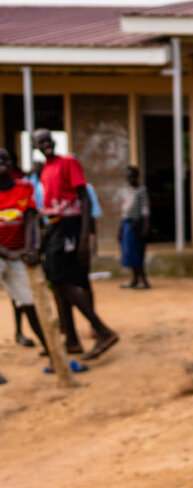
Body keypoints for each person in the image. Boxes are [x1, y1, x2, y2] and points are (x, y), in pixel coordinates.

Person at [35, 129, 118, 359]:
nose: (45, 144)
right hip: (54, 227)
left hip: (70, 227)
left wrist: (84, 239)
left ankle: (103, 331)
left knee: (63, 281)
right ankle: (71, 339)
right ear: (35, 146)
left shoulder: (68, 163)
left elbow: (84, 199)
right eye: (40, 142)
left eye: (48, 140)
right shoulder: (45, 170)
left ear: (53, 141)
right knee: (56, 282)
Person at [0, 147, 50, 362]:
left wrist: (30, 249)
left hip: (18, 253)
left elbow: (30, 220)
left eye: (4, 158)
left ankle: (52, 353)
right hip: (4, 253)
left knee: (30, 303)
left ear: (12, 163)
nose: (0, 162)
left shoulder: (24, 187)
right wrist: (6, 252)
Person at [113, 165, 150, 289]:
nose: (130, 179)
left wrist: (145, 227)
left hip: (137, 224)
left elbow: (145, 210)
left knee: (137, 252)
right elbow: (124, 212)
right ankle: (134, 279)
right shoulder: (125, 190)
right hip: (126, 224)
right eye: (128, 177)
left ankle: (143, 280)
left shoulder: (141, 190)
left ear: (137, 176)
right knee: (128, 252)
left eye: (132, 176)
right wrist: (120, 229)